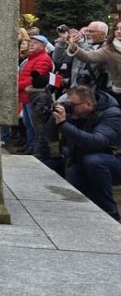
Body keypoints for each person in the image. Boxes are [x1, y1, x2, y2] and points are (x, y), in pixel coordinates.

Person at [48, 85, 121, 220]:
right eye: (68, 103)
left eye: (72, 104)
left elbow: (96, 142)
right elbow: (48, 134)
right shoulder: (76, 113)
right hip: (83, 159)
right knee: (69, 183)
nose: (70, 107)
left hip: (114, 161)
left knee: (94, 161)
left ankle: (111, 212)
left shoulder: (112, 114)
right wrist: (54, 117)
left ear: (88, 104)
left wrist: (63, 125)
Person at [66, 22, 121, 104]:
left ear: (102, 34)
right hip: (115, 93)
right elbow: (88, 56)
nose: (119, 31)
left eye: (91, 31)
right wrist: (74, 47)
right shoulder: (109, 49)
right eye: (117, 29)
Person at [18, 34, 54, 157]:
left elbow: (34, 79)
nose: (32, 44)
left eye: (36, 43)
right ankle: (30, 145)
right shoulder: (32, 57)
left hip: (35, 97)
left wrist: (17, 86)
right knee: (28, 123)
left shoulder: (43, 59)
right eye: (31, 42)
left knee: (36, 125)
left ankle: (35, 149)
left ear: (43, 46)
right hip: (27, 96)